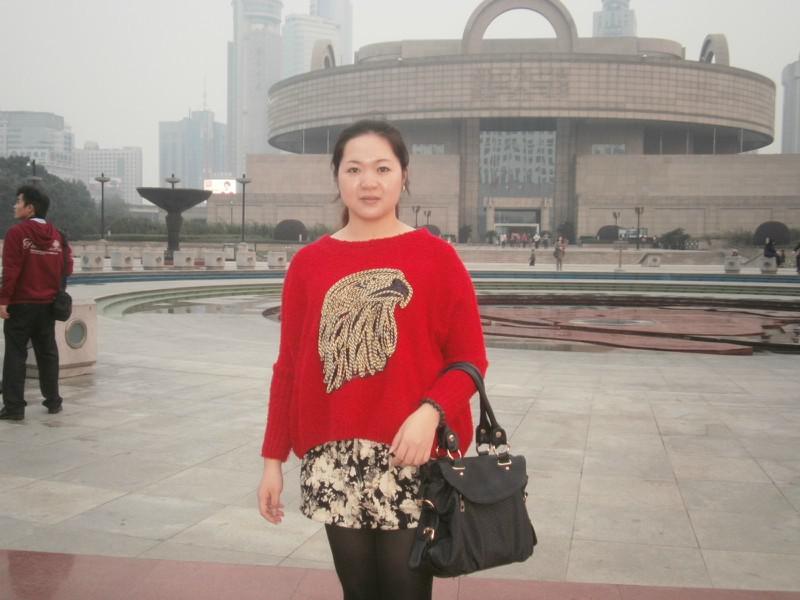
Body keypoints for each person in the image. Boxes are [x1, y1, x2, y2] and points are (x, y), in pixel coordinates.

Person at [257, 120, 487, 600]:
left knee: (406, 592)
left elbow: (470, 359)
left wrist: (431, 413)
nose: (368, 182)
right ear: (337, 177)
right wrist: (272, 460)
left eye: (383, 168)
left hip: (412, 454)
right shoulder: (309, 264)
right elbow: (290, 368)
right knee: (358, 593)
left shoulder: (437, 258)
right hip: (333, 456)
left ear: (404, 175)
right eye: (354, 169)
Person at [0, 185, 73, 421]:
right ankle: (53, 401)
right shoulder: (57, 235)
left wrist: (3, 300)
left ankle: (14, 408)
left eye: (18, 202)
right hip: (48, 305)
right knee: (48, 353)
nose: (15, 206)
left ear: (30, 208)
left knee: (15, 354)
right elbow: (68, 267)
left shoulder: (17, 233)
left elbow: (11, 271)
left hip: (21, 304)